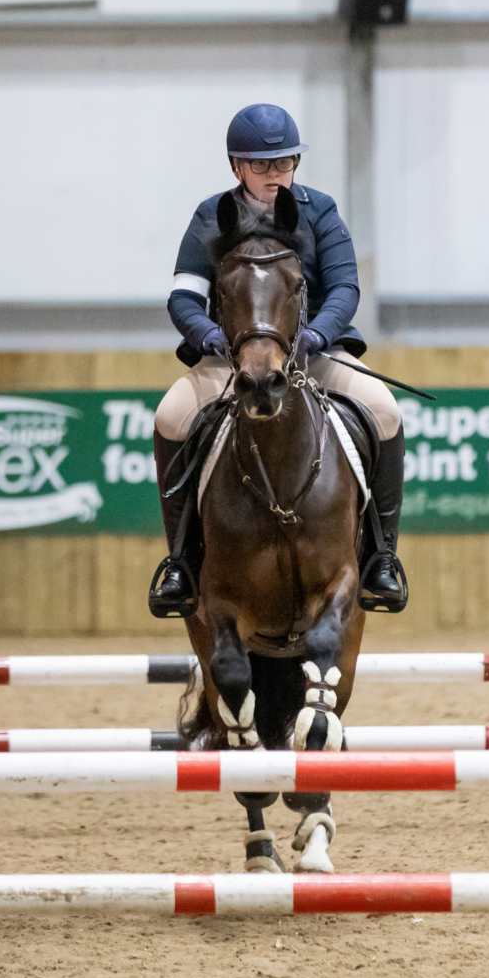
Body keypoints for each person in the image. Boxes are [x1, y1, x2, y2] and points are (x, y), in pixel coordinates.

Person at [150, 103, 405, 616]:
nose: (275, 174)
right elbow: (183, 298)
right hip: (234, 357)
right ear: (236, 166)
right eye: (262, 164)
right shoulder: (210, 215)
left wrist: (314, 336)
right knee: (170, 417)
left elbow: (346, 288)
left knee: (385, 411)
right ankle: (181, 559)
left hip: (312, 351)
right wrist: (211, 339)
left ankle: (382, 557)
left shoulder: (319, 211)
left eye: (283, 163)